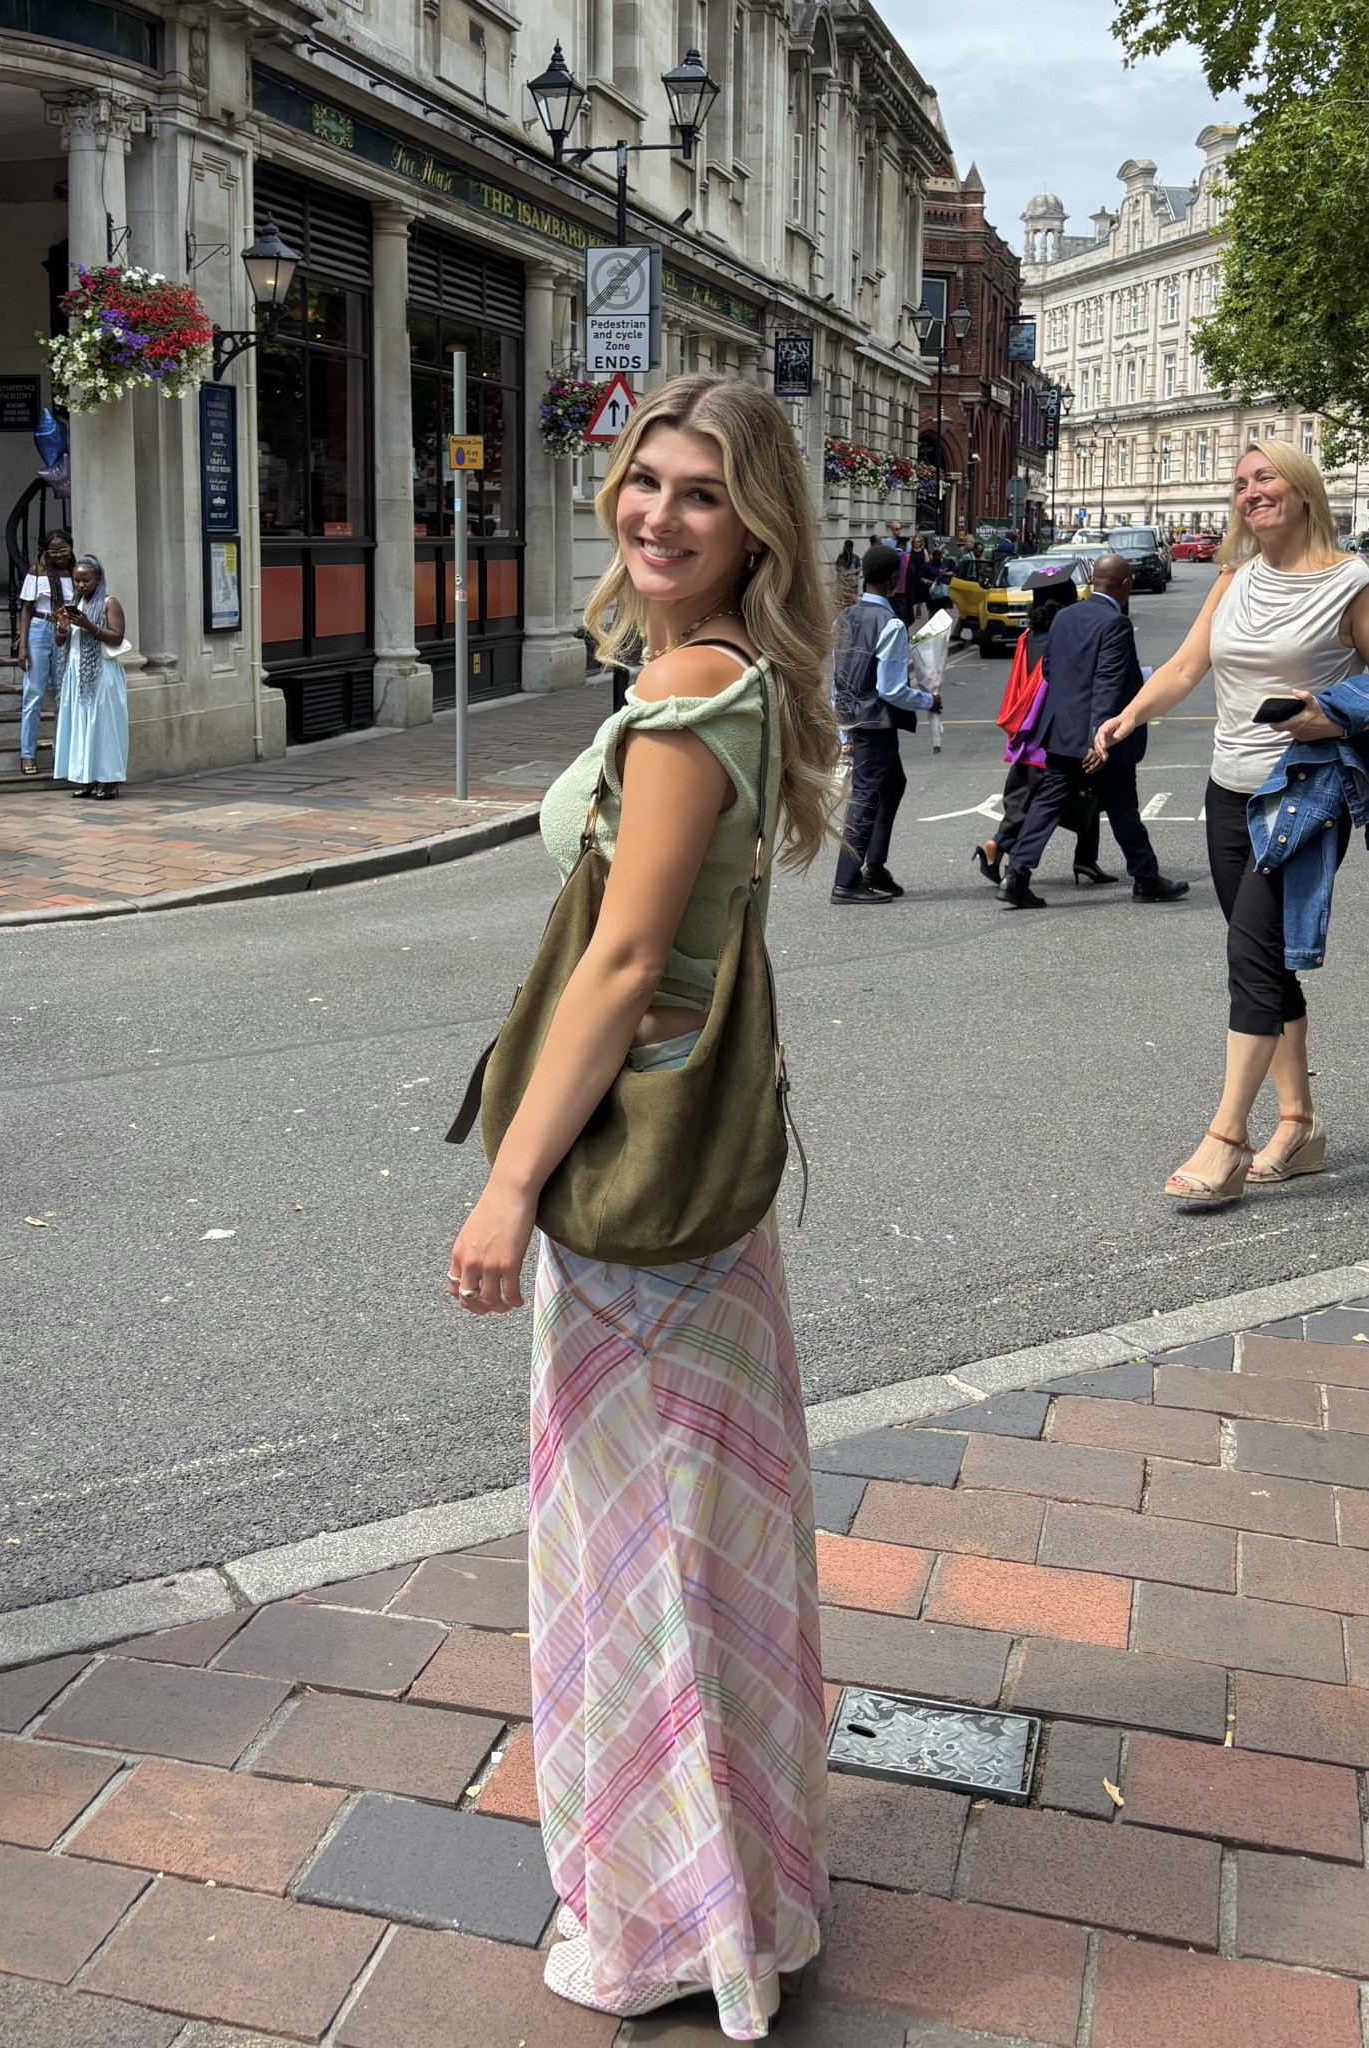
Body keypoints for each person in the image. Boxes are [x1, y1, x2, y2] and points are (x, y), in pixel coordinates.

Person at [445, 374, 833, 2037]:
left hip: (630, 1185)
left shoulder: (686, 691)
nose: (658, 513)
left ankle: (672, 1918)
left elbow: (619, 963)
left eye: (701, 491)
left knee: (637, 1555)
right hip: (696, 1184)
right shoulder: (739, 676)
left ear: (757, 525)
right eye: (645, 480)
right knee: (699, 1535)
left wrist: (507, 1183)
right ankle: (741, 1890)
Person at [1094, 440, 1369, 1202]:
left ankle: (1227, 1139)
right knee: (1264, 958)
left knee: (1251, 957)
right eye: (1241, 484)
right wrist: (1127, 716)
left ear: (1301, 492)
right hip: (1228, 792)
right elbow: (1184, 667)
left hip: (1304, 792)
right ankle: (1297, 1124)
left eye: (1264, 478)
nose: (1250, 493)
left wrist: (1332, 714)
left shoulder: (1351, 583)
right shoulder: (1233, 578)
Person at [997, 553, 1188, 909]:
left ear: (1093, 581)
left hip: (1061, 731)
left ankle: (1016, 875)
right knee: (1123, 805)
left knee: (1049, 803)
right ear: (1126, 585)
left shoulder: (1064, 616)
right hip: (1099, 737)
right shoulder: (1115, 623)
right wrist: (1099, 737)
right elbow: (1108, 683)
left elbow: (1050, 671)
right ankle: (1146, 878)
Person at [974, 569, 1106, 884]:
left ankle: (1081, 858)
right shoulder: (1063, 637)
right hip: (1051, 730)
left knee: (1024, 796)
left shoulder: (1026, 637)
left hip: (1026, 727)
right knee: (1076, 793)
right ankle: (1012, 852)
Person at [831, 541, 939, 903]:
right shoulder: (891, 624)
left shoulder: (844, 618)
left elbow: (837, 679)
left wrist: (842, 729)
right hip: (876, 724)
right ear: (895, 579)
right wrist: (928, 700)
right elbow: (891, 689)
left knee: (892, 785)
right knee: (865, 797)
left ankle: (875, 867)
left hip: (856, 719)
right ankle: (846, 881)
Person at [52, 554, 128, 800]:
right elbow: (60, 642)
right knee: (81, 728)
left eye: (86, 580)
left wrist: (88, 625)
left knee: (104, 727)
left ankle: (111, 780)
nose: (81, 585)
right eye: (77, 580)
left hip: (101, 673)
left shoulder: (109, 603)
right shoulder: (75, 604)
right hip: (76, 674)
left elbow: (116, 637)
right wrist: (63, 626)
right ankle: (86, 778)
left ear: (98, 579)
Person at [14, 528, 74, 775]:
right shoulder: (36, 572)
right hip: (40, 628)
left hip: (66, 630)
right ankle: (27, 754)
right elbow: (27, 608)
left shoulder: (76, 573)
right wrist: (22, 645)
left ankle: (60, 753)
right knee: (34, 694)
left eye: (63, 550)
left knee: (63, 696)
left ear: (70, 548)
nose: (58, 555)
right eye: (53, 551)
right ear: (46, 552)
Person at [835, 536, 860, 603]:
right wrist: (852, 572)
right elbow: (858, 569)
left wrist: (843, 572)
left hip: (842, 582)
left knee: (843, 601)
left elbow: (837, 568)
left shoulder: (840, 557)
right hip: (852, 583)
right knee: (852, 601)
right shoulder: (855, 557)